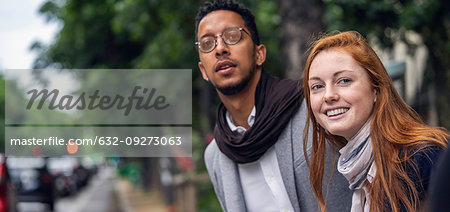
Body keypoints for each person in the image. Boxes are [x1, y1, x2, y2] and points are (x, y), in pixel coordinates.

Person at [195, 0, 352, 211]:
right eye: (207, 43)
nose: (220, 48)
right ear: (203, 71)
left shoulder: (313, 110)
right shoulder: (215, 156)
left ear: (259, 54)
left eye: (232, 36)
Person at [302, 30, 449, 212]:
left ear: (376, 89)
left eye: (344, 80)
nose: (329, 95)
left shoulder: (425, 155)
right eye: (317, 86)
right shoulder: (355, 171)